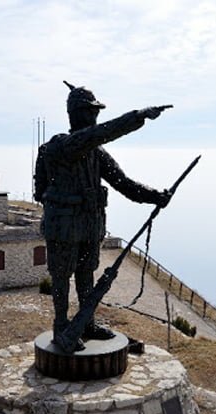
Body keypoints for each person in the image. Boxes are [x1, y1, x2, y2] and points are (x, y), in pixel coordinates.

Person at [34, 81, 172, 352]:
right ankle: (61, 327)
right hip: (62, 226)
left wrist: (156, 196)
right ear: (76, 114)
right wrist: (138, 116)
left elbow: (124, 183)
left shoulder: (96, 154)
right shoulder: (62, 146)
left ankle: (87, 325)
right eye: (90, 111)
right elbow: (101, 134)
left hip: (88, 226)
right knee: (61, 278)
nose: (95, 117)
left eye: (96, 112)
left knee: (87, 274)